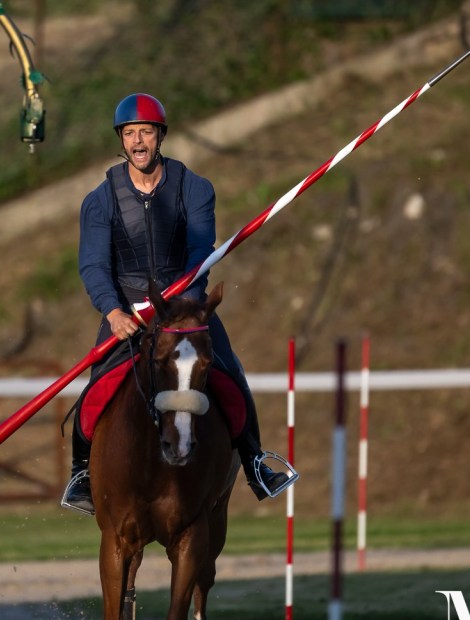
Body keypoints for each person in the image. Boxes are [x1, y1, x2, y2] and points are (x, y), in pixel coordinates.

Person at [63, 93, 299, 514]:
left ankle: (255, 463)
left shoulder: (196, 188)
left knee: (229, 375)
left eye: (146, 133)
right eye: (130, 133)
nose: (138, 142)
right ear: (122, 139)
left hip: (185, 306)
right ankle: (82, 472)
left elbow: (199, 252)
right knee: (96, 390)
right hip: (128, 311)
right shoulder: (98, 201)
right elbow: (94, 265)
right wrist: (113, 311)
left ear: (161, 137)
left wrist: (184, 306)